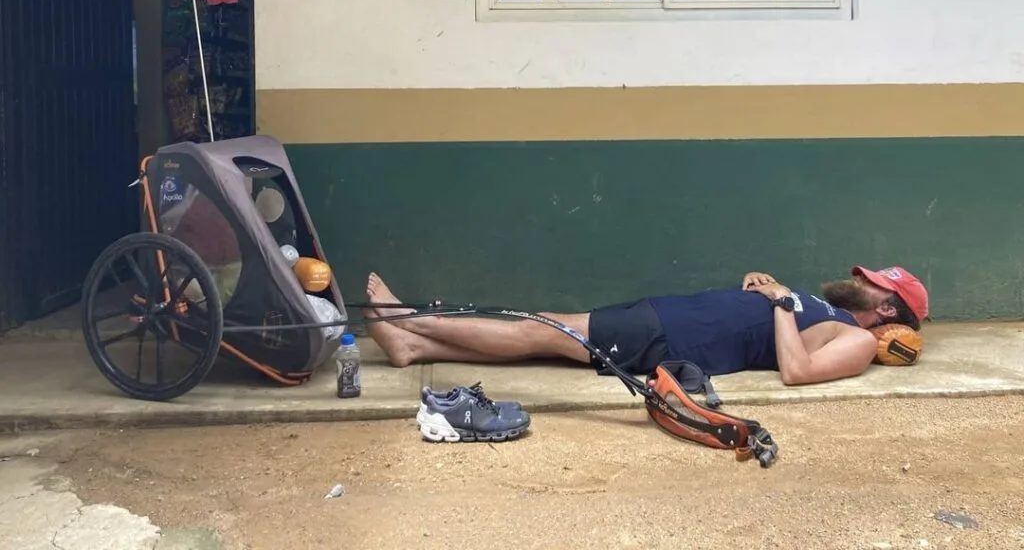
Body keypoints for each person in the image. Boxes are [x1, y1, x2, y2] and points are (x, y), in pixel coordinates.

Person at [361, 265, 930, 386]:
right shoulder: (829, 312)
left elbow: (797, 370)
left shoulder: (857, 340)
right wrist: (765, 286)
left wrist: (781, 303)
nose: (860, 278)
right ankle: (412, 346)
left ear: (888, 310)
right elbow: (779, 319)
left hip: (675, 338)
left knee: (541, 331)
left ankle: (408, 319)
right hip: (672, 317)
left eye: (873, 283)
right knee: (548, 340)